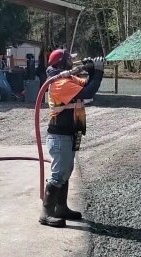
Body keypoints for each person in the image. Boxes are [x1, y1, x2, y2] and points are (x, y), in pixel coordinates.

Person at [39, 49, 104, 228]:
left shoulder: (67, 79)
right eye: (70, 60)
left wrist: (92, 71)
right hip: (60, 136)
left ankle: (61, 208)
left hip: (67, 133)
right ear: (62, 63)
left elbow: (87, 85)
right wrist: (98, 72)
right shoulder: (60, 83)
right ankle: (46, 213)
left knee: (65, 172)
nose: (73, 63)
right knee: (59, 174)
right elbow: (89, 93)